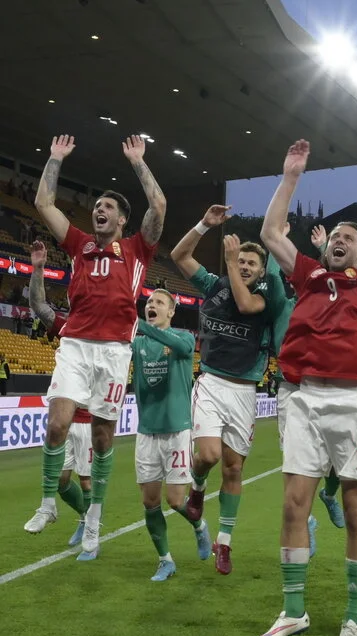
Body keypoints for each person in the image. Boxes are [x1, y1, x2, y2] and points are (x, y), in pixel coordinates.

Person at [253, 140, 357, 636]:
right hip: (302, 398)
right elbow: (270, 232)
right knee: (293, 504)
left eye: (348, 238)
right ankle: (294, 610)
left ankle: (353, 616)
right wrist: (290, 177)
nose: (339, 241)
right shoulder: (308, 275)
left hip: (353, 401)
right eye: (334, 237)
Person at [25, 134, 166, 559]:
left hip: (115, 351)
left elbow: (158, 206)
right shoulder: (79, 244)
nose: (99, 210)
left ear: (122, 219)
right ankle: (48, 503)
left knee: (103, 436)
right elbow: (44, 203)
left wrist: (138, 162)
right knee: (56, 424)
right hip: (75, 345)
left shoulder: (138, 249)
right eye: (96, 207)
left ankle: (93, 518)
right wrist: (54, 158)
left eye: (107, 207)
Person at [170, 212, 289, 575]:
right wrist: (203, 225)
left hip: (244, 391)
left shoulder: (265, 297)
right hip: (210, 382)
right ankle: (197, 488)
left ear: (262, 271)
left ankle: (224, 542)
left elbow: (245, 305)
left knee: (234, 467)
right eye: (242, 261)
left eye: (253, 263)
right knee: (207, 455)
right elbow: (179, 256)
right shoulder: (214, 285)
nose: (245, 266)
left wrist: (232, 264)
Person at [266, 224, 346, 531]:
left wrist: (324, 247)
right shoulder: (282, 306)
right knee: (294, 459)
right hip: (291, 387)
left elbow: (333, 278)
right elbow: (273, 277)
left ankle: (329, 494)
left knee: (338, 457)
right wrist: (279, 241)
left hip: (328, 386)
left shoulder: (327, 303)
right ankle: (306, 520)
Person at [130, 290, 211, 579]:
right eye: (149, 303)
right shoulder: (138, 343)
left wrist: (140, 325)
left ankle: (199, 526)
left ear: (171, 312)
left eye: (159, 303)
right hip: (147, 432)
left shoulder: (183, 338)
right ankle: (165, 560)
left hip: (177, 430)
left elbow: (183, 348)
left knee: (176, 501)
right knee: (150, 502)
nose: (151, 306)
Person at [25, 241, 92, 546]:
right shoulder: (66, 327)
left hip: (90, 417)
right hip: (65, 415)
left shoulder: (106, 331)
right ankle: (81, 516)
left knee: (87, 479)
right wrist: (38, 268)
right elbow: (38, 305)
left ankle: (91, 529)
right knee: (63, 481)